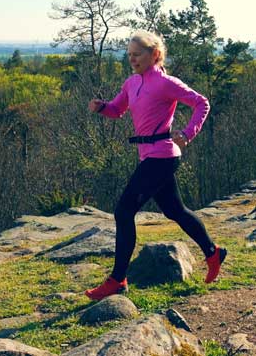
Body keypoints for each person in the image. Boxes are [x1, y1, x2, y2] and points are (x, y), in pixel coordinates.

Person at [84, 30, 227, 301]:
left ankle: (117, 279)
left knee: (124, 210)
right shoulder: (131, 83)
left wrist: (187, 133)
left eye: (137, 55)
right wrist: (102, 107)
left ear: (155, 55)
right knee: (176, 210)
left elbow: (201, 103)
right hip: (149, 156)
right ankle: (213, 252)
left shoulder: (165, 83)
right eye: (129, 55)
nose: (132, 59)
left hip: (162, 155)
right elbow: (117, 109)